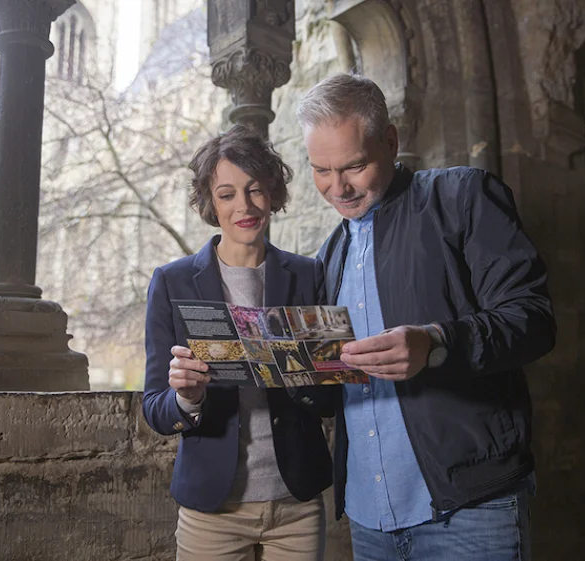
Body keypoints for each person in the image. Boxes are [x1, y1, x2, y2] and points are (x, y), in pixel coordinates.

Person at [297, 73, 556, 560]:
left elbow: (534, 319)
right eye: (321, 171)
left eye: (354, 166)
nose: (338, 188)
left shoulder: (463, 197)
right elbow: (334, 390)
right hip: (369, 516)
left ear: (391, 141)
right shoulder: (327, 256)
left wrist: (437, 343)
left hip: (471, 510)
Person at [142, 124, 334, 561]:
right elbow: (155, 408)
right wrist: (187, 398)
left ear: (273, 193)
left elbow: (330, 401)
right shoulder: (172, 283)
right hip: (212, 510)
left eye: (255, 190)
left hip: (297, 505)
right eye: (227, 194)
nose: (243, 206)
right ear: (211, 203)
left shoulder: (309, 276)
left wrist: (302, 371)